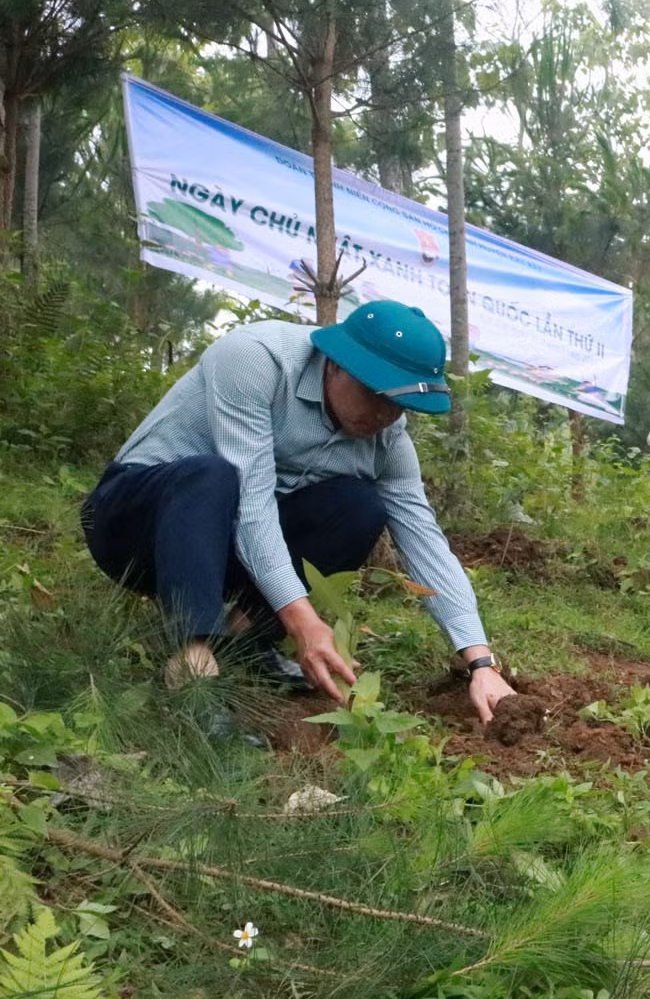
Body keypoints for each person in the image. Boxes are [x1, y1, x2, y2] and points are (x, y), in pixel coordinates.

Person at [82, 302, 515, 724]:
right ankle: (193, 668)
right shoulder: (257, 360)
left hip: (224, 545)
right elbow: (252, 504)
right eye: (376, 394)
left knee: (360, 508)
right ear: (336, 363)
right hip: (133, 525)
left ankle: (238, 644)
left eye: (398, 404)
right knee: (212, 475)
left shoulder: (387, 440)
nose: (385, 415)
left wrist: (481, 662)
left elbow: (424, 539)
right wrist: (303, 621)